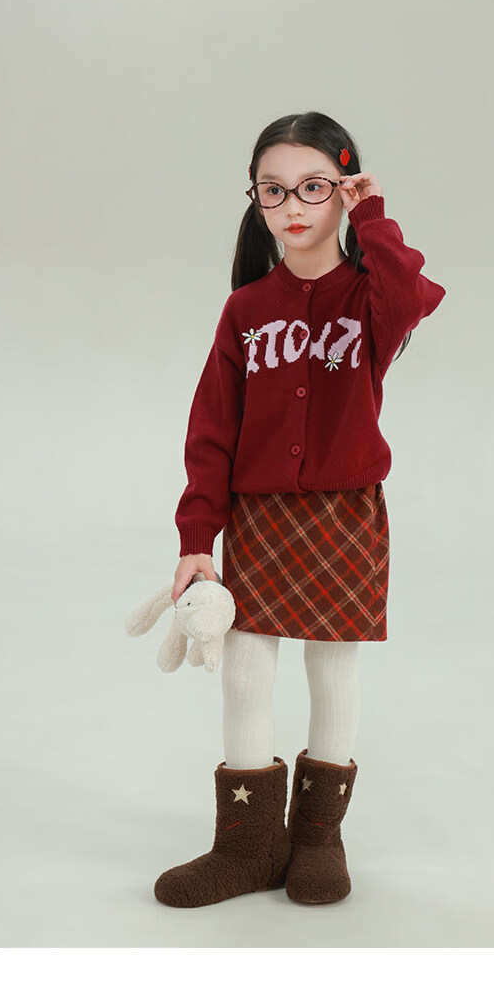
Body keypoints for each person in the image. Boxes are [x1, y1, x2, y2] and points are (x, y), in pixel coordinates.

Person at [152, 110, 445, 909]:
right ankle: (248, 847)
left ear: (343, 189)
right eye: (272, 189)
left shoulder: (373, 299)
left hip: (346, 514)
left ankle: (317, 839)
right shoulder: (245, 309)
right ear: (254, 199)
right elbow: (211, 431)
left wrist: (371, 215)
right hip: (259, 519)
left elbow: (412, 293)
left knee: (333, 668)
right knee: (246, 672)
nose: (292, 206)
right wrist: (196, 538)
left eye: (314, 186)